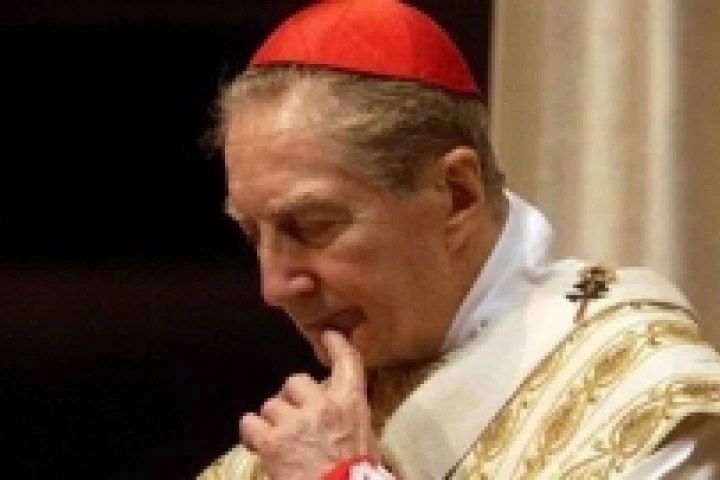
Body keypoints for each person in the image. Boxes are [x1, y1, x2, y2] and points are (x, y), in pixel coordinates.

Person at [198, 1, 720, 478]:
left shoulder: (641, 394)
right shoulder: (289, 447)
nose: (275, 287)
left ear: (457, 195)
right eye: (253, 234)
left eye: (313, 226)